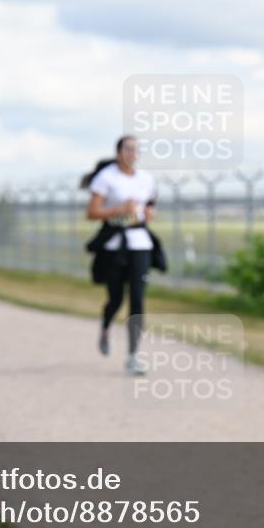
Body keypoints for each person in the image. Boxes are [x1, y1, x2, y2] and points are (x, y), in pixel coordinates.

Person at [84, 135, 162, 375]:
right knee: (116, 298)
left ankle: (133, 355)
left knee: (138, 299)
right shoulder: (106, 178)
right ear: (118, 152)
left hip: (140, 243)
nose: (132, 153)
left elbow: (149, 206)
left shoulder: (146, 179)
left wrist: (148, 213)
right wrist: (119, 209)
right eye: (127, 148)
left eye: (136, 149)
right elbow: (92, 213)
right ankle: (106, 326)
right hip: (115, 245)